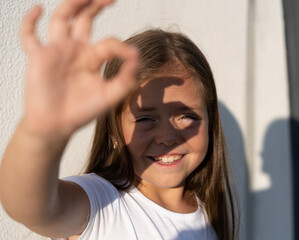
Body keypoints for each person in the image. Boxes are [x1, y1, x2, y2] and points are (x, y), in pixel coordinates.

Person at [0, 0, 237, 239]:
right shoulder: (101, 203)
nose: (167, 137)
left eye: (186, 116)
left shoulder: (208, 213)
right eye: (145, 119)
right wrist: (41, 132)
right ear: (113, 130)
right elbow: (29, 207)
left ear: (210, 122)